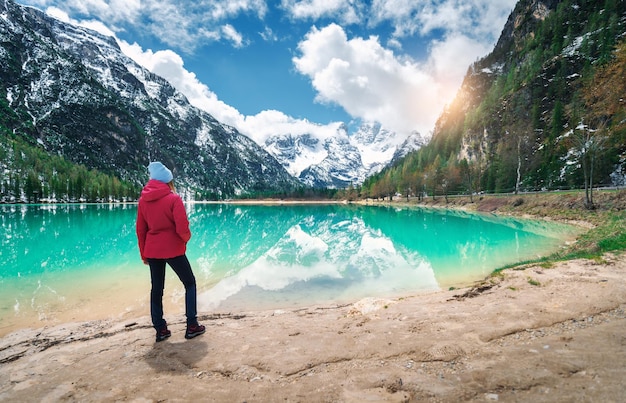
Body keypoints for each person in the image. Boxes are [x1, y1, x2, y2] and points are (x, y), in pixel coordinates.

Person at [136, 161, 205, 342]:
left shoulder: (143, 200)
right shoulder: (173, 199)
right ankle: (192, 326)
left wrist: (144, 253)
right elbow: (182, 227)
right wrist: (185, 239)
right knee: (189, 283)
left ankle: (160, 330)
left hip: (152, 249)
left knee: (156, 289)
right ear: (167, 181)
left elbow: (140, 230)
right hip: (173, 248)